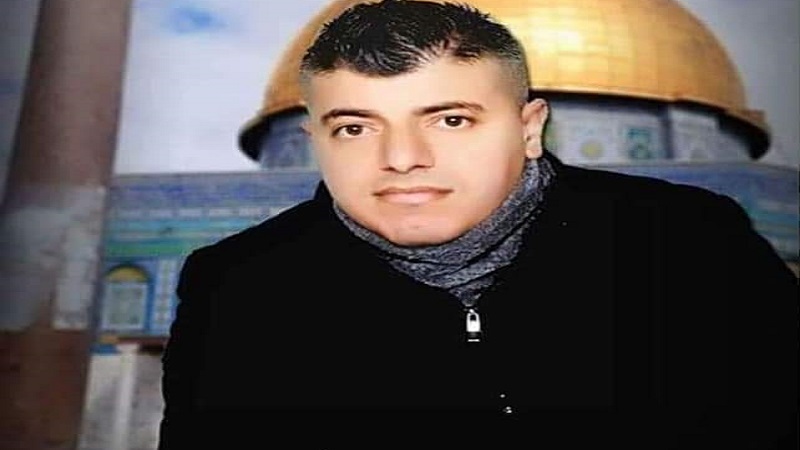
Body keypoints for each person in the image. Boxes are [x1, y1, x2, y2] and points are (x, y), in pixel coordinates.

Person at [157, 1, 798, 448]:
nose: (402, 158)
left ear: (529, 128)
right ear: (314, 142)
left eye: (451, 120)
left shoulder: (690, 245)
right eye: (355, 127)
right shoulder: (237, 287)